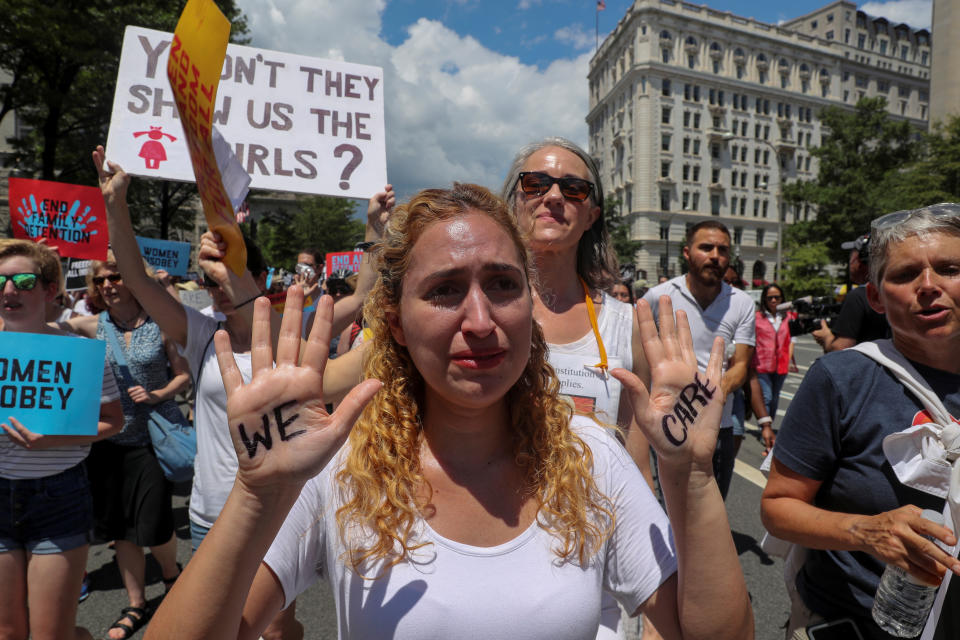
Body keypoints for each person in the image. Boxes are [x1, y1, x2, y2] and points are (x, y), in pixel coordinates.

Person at [144, 183, 753, 640]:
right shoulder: (335, 467)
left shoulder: (591, 457)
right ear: (397, 326)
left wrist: (691, 479)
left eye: (503, 284)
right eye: (443, 291)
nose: (481, 321)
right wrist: (256, 496)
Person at [91, 145, 390, 640]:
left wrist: (373, 227)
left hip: (279, 511)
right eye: (209, 278)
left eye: (228, 270)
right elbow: (139, 280)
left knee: (273, 629)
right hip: (212, 515)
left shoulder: (298, 330)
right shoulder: (202, 331)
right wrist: (115, 204)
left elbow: (361, 296)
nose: (216, 285)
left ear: (256, 274)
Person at [761, 204, 960, 639]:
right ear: (875, 297)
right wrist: (864, 531)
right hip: (862, 623)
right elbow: (777, 508)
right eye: (906, 275)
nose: (929, 286)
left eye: (949, 268)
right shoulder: (842, 378)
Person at [501, 139, 654, 638]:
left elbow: (636, 462)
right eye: (535, 182)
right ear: (514, 199)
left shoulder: (625, 324)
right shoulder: (476, 315)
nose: (552, 196)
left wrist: (653, 598)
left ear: (591, 214)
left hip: (592, 566)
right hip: (493, 547)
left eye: (573, 187)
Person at [59, 254, 191, 639]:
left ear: (134, 279)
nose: (108, 285)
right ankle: (136, 604)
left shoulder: (161, 323)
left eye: (116, 276)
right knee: (119, 528)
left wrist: (156, 394)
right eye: (101, 280)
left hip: (152, 437)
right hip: (108, 442)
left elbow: (182, 375)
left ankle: (170, 577)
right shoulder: (90, 325)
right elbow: (45, 324)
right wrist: (49, 274)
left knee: (152, 520)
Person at [0, 239, 124, 640]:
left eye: (22, 280)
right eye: (0, 281)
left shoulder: (81, 354)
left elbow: (114, 422)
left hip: (59, 498)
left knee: (51, 634)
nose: (8, 291)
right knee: (7, 632)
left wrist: (53, 439)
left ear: (49, 290)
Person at [642, 221, 755, 500]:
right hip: (669, 424)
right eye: (706, 247)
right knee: (671, 514)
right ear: (687, 253)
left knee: (711, 514)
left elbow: (741, 365)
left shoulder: (742, 303)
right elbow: (639, 358)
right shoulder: (659, 297)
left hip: (720, 426)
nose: (715, 255)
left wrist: (710, 396)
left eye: (723, 250)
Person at [812, 234, 889, 352]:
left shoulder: (858, 297)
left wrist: (826, 337)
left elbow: (840, 349)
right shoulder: (892, 293)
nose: (850, 261)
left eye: (852, 254)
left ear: (863, 258)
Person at [751, 283, 795, 445]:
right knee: (767, 397)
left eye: (777, 297)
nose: (774, 300)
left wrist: (788, 359)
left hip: (781, 365)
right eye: (770, 298)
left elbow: (792, 340)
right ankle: (765, 427)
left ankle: (768, 425)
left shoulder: (789, 317)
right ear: (764, 300)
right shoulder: (757, 317)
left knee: (775, 398)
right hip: (762, 363)